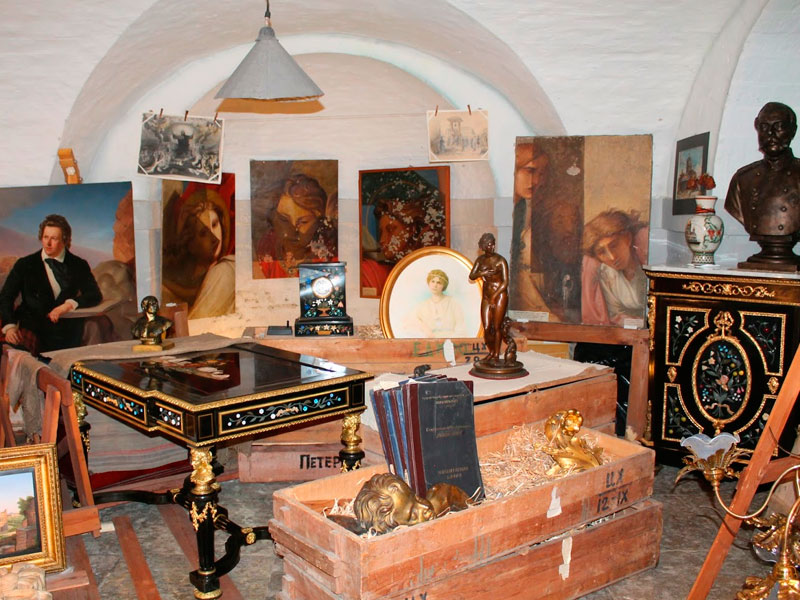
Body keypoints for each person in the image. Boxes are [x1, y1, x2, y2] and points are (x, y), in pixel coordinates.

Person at [0, 214, 102, 353]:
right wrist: (10, 327)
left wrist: (67, 305)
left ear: (65, 240)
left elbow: (94, 294)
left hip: (66, 331)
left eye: (53, 238)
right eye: (45, 237)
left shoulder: (78, 264)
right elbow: (6, 297)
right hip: (32, 327)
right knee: (18, 355)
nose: (48, 243)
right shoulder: (25, 264)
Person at [724, 101, 800, 265]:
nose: (771, 133)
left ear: (793, 130)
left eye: (779, 126)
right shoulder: (742, 179)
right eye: (764, 127)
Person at [360, 182, 446, 297]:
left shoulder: (427, 271)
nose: (382, 240)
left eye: (391, 230)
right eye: (381, 232)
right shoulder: (379, 272)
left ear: (411, 229)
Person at [162, 190, 235, 319]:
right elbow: (194, 294)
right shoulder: (191, 276)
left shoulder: (226, 269)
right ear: (190, 244)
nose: (214, 238)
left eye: (215, 224)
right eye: (203, 233)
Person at [256, 174, 337, 278]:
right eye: (284, 220)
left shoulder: (330, 256)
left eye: (303, 222)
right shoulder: (268, 246)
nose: (291, 231)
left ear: (319, 221)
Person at [580, 210, 648, 326]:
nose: (612, 257)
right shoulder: (606, 275)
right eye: (602, 252)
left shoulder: (645, 264)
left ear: (627, 238)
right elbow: (615, 316)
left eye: (614, 245)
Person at [469, 233, 509, 362]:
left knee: (497, 326)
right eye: (489, 245)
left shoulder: (501, 260)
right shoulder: (480, 260)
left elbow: (505, 282)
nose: (492, 247)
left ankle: (496, 354)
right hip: (487, 295)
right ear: (483, 246)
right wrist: (483, 272)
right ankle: (491, 351)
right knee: (486, 327)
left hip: (499, 295)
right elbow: (472, 276)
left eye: (493, 244)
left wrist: (494, 297)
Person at [403, 269, 465, 337]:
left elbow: (461, 327)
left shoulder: (453, 303)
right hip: (429, 341)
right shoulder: (423, 305)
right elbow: (408, 323)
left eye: (439, 283)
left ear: (443, 285)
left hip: (450, 340)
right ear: (429, 283)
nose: (435, 285)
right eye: (433, 281)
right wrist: (424, 328)